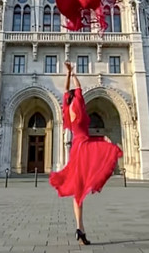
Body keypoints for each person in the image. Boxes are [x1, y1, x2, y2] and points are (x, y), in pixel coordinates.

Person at [49, 61, 123, 245]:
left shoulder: (67, 110)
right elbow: (78, 87)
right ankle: (81, 226)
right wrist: (73, 74)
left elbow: (67, 90)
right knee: (108, 151)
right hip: (85, 144)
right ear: (77, 98)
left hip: (76, 148)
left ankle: (80, 229)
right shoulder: (79, 106)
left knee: (78, 191)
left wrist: (67, 74)